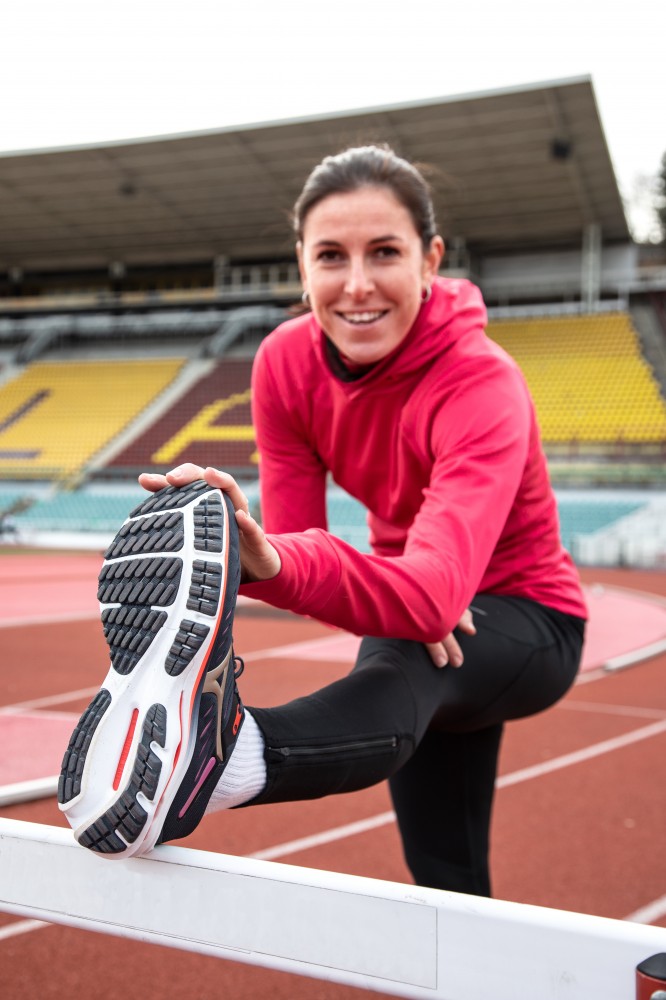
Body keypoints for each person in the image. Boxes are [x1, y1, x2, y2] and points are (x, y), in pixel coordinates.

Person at [59, 145, 587, 897]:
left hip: (531, 615)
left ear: (431, 261)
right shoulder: (285, 363)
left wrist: (326, 575)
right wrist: (256, 552)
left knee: (407, 651)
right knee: (446, 877)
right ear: (302, 267)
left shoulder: (482, 381)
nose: (358, 284)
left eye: (385, 253)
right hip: (419, 591)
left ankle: (225, 757)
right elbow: (303, 546)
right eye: (332, 256)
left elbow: (424, 595)